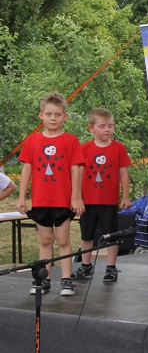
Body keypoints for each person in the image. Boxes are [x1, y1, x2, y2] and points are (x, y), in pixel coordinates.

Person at [16, 92, 85, 296]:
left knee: (63, 240)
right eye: (49, 114)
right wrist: (22, 197)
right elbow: (27, 169)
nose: (53, 118)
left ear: (64, 116)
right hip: (40, 200)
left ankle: (66, 279)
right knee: (46, 240)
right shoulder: (32, 140)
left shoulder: (71, 141)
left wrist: (76, 197)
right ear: (41, 116)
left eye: (57, 114)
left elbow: (75, 170)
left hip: (62, 200)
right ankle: (43, 280)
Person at [73, 108, 132, 283]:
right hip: (88, 202)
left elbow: (123, 173)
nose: (107, 129)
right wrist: (77, 198)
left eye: (110, 126)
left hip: (109, 201)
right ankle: (85, 265)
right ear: (91, 128)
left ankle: (111, 267)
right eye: (102, 126)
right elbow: (78, 174)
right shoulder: (85, 148)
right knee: (86, 235)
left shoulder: (118, 148)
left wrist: (126, 196)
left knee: (111, 235)